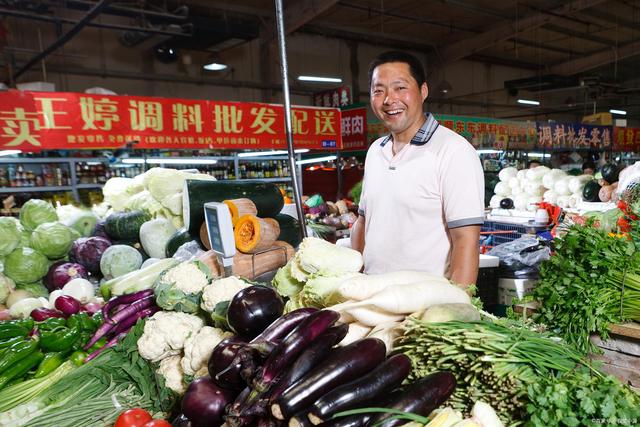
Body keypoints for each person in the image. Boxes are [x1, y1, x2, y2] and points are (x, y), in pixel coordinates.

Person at [350, 51, 485, 286]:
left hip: (424, 307)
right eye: (378, 90)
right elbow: (363, 222)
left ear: (423, 91)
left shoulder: (453, 151)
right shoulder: (375, 152)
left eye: (400, 88)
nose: (389, 100)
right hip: (372, 299)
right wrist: (353, 278)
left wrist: (455, 312)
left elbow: (466, 240)